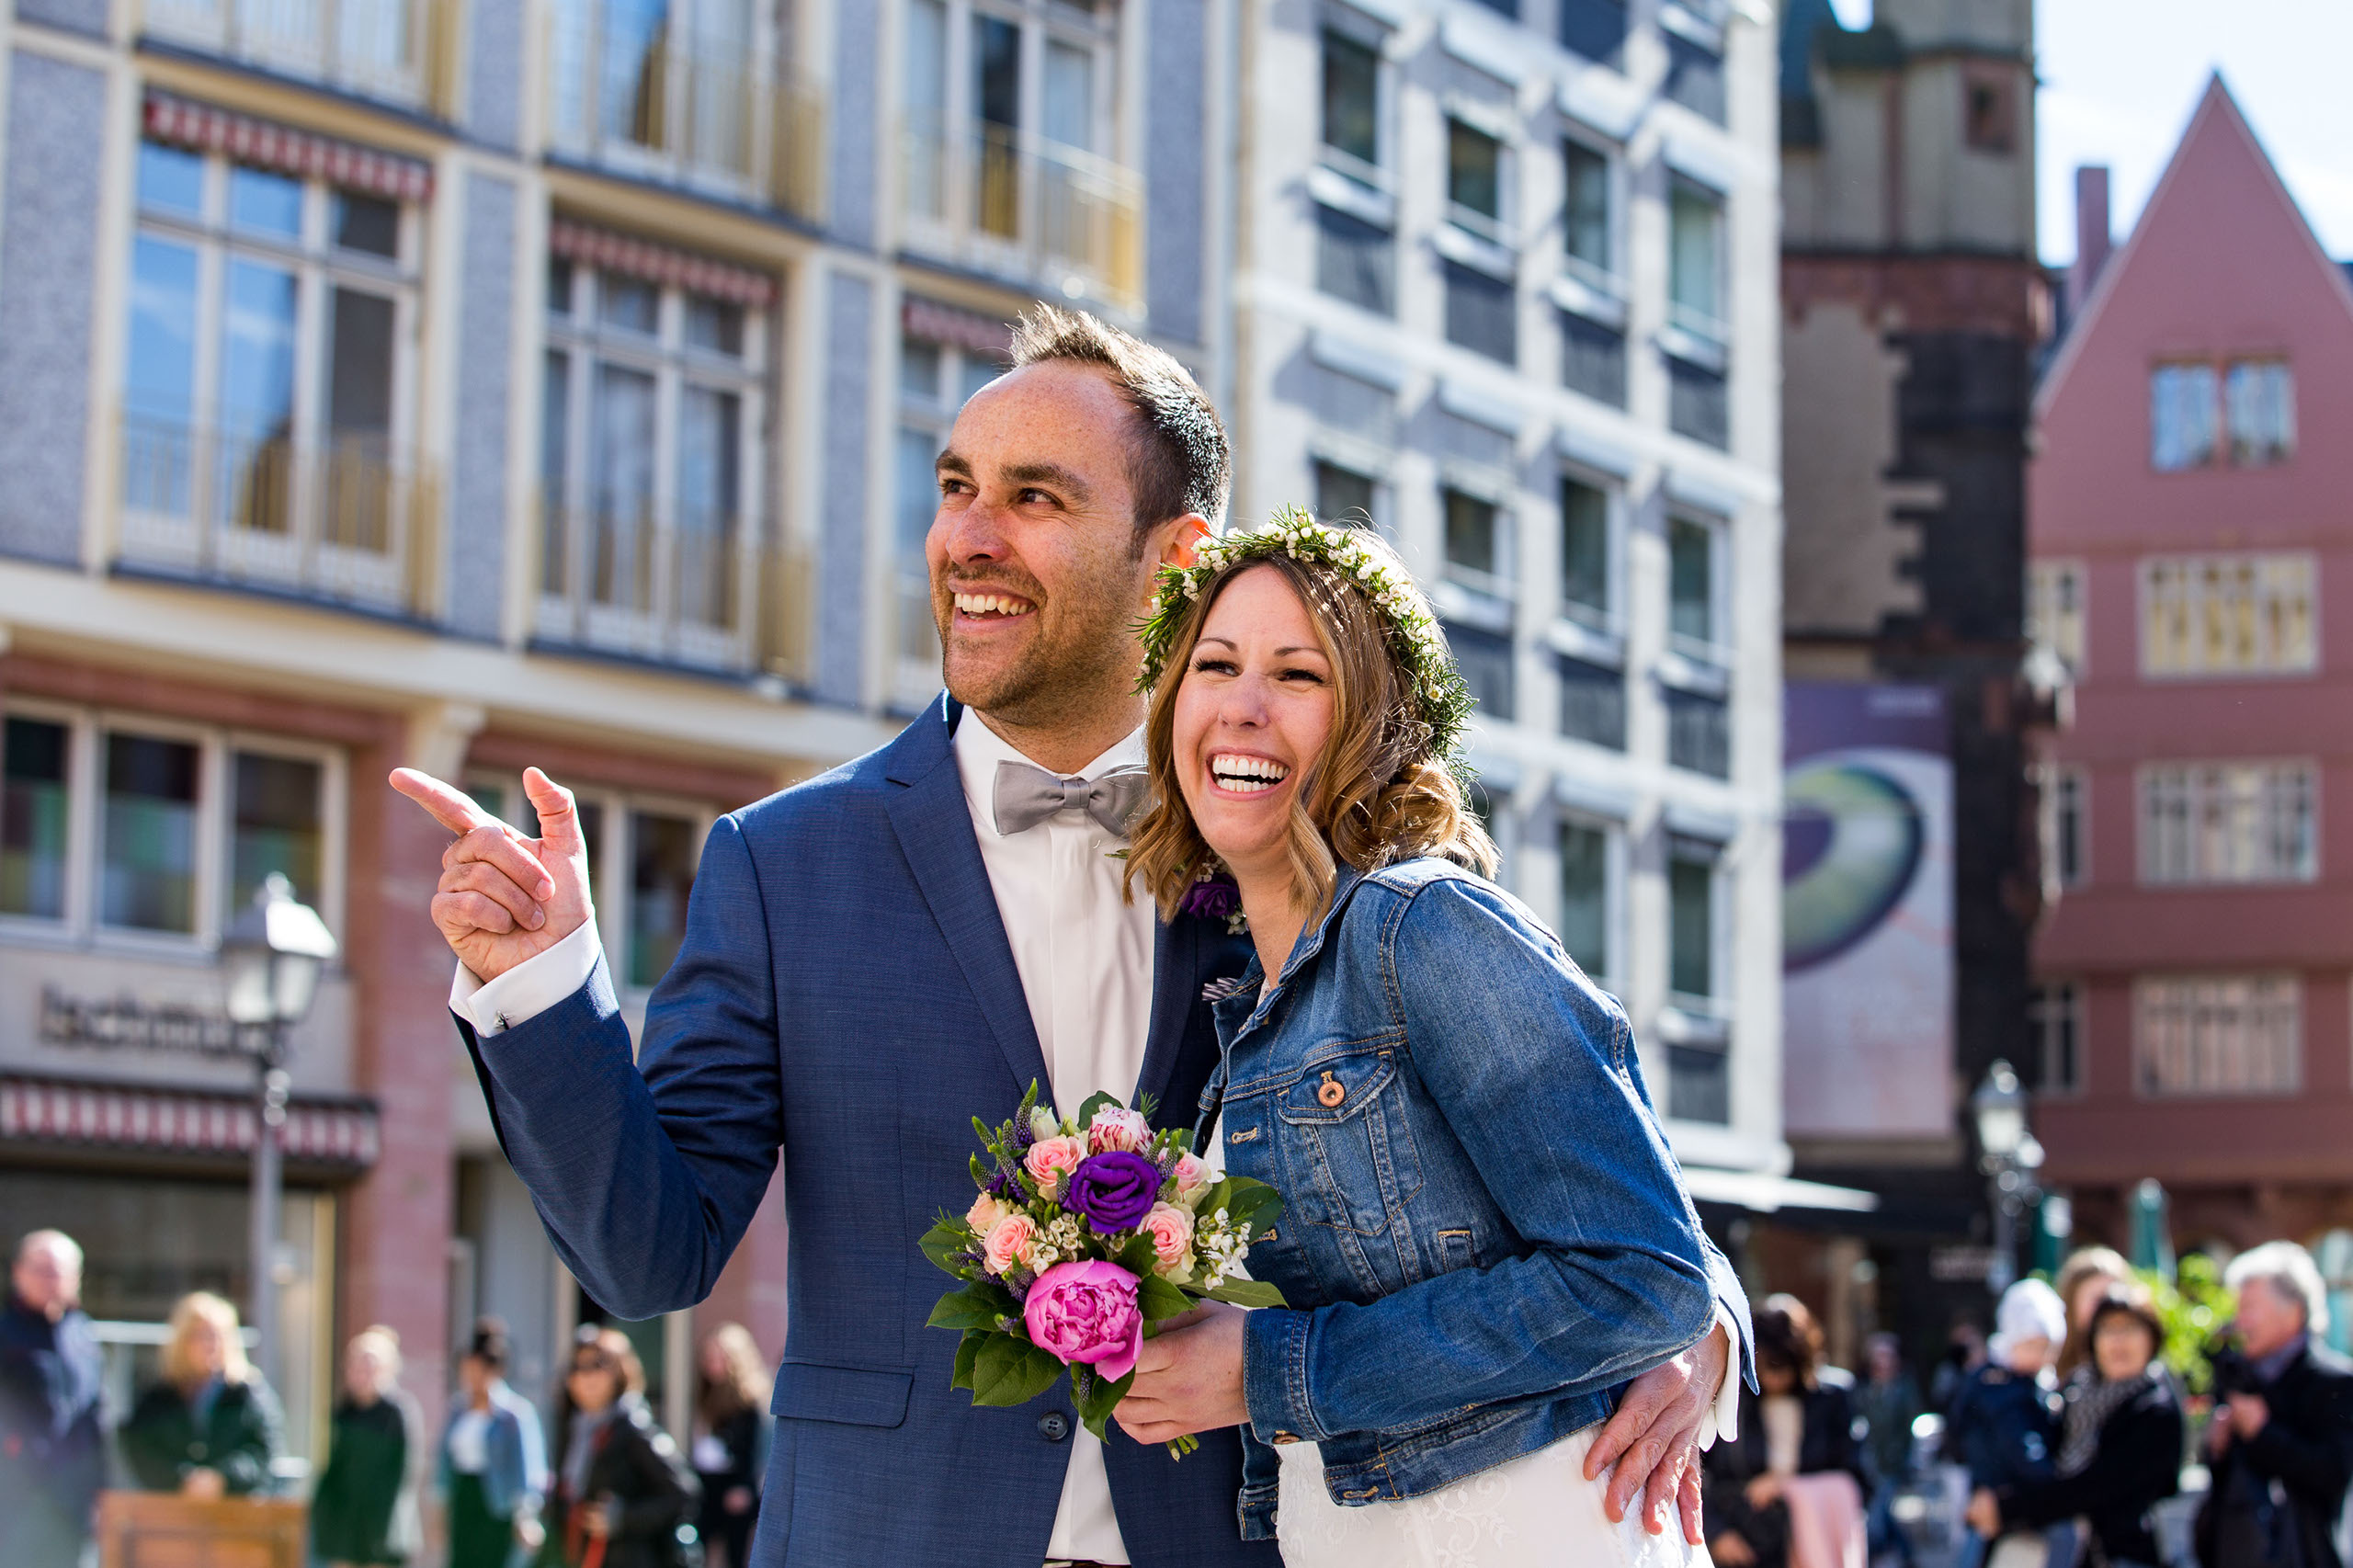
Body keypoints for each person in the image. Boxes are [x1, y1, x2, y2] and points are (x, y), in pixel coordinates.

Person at [390, 304, 1745, 1567]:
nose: (970, 536)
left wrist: (1702, 1330)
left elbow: (1594, 1166)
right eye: (955, 486)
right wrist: (545, 986)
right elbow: (649, 1253)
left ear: (1177, 558)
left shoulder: (1310, 858)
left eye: (1036, 497)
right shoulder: (780, 863)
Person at [1104, 515, 1750, 1565]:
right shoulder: (1247, 1000)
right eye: (1212, 664)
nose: (1243, 706)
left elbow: (1643, 1271)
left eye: (1298, 675)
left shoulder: (1426, 924)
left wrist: (1268, 1369)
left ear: (1372, 718)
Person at [1970, 1287, 2181, 1568]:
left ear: (2151, 1338)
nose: (2118, 1340)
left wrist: (2006, 1508)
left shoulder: (2155, 1408)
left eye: (2130, 1328)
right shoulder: (2075, 1391)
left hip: (2120, 1555)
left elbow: (2092, 1488)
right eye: (2108, 1329)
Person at [2195, 1241, 2353, 1568]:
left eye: (2250, 1307)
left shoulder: (2333, 1380)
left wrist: (2263, 1432)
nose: (2240, 1322)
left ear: (2293, 1311)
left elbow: (2333, 1475)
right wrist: (2216, 1447)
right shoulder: (2238, 1377)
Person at [1701, 1297, 1868, 1568]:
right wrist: (1716, 1532)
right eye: (1767, 1366)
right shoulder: (1733, 1398)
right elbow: (1700, 1469)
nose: (1774, 1377)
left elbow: (1857, 1476)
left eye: (1783, 1366)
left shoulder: (1834, 1396)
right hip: (1742, 1541)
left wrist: (1786, 1486)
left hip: (1808, 1542)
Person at [539, 1329, 696, 1568]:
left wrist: (624, 1518)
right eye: (578, 1367)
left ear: (620, 1371)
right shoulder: (573, 1426)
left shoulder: (634, 1426)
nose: (587, 1376)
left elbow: (683, 1494)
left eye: (598, 1365)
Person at [0, 1229, 106, 1565]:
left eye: (60, 1271)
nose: (51, 1279)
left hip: (70, 1501)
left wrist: (102, 1487)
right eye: (41, 1269)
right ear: (18, 1272)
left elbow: (93, 1415)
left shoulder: (83, 1336)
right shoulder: (6, 1332)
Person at [1947, 1279, 2066, 1568]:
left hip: (2003, 1507)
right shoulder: (2003, 1389)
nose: (2040, 1356)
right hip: (2004, 1512)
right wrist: (2052, 1482)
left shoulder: (2019, 1383)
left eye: (2047, 1347)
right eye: (2033, 1345)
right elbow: (2020, 1446)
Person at [121, 1290, 283, 1496]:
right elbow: (140, 1449)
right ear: (182, 1340)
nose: (210, 1345)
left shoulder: (247, 1394)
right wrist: (182, 1479)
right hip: (172, 1511)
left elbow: (263, 1453)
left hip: (236, 1512)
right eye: (200, 1336)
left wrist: (221, 1478)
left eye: (216, 1336)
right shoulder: (159, 1397)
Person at [312, 1325, 426, 1567]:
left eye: (369, 1367)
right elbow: (334, 1468)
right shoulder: (344, 1412)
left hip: (382, 1526)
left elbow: (404, 1475)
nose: (362, 1375)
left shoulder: (398, 1413)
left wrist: (384, 1530)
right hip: (345, 1525)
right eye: (357, 1367)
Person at [442, 1316, 549, 1568]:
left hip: (497, 1503)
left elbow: (529, 1468)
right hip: (463, 1497)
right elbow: (444, 1460)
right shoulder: (458, 1409)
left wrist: (526, 1516)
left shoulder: (515, 1414)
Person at [691, 1324, 770, 1568]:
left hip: (737, 1488)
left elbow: (760, 1451)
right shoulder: (706, 1392)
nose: (712, 1363)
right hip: (708, 1485)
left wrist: (745, 1486)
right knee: (697, 1549)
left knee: (734, 1555)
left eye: (719, 1357)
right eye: (709, 1357)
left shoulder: (751, 1401)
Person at [1854, 1334, 1923, 1567]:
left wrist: (1904, 1458)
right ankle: (1906, 1555)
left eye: (1887, 1355)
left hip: (1892, 1464)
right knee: (1882, 1513)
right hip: (1869, 1463)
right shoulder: (1863, 1389)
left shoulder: (1904, 1389)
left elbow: (1908, 1428)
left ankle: (1873, 1557)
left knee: (1878, 1515)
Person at [2053, 1247, 2133, 1382]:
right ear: (2072, 1302)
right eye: (2099, 1299)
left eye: (2114, 1298)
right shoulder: (2049, 1369)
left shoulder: (2140, 1373)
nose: (2108, 1309)